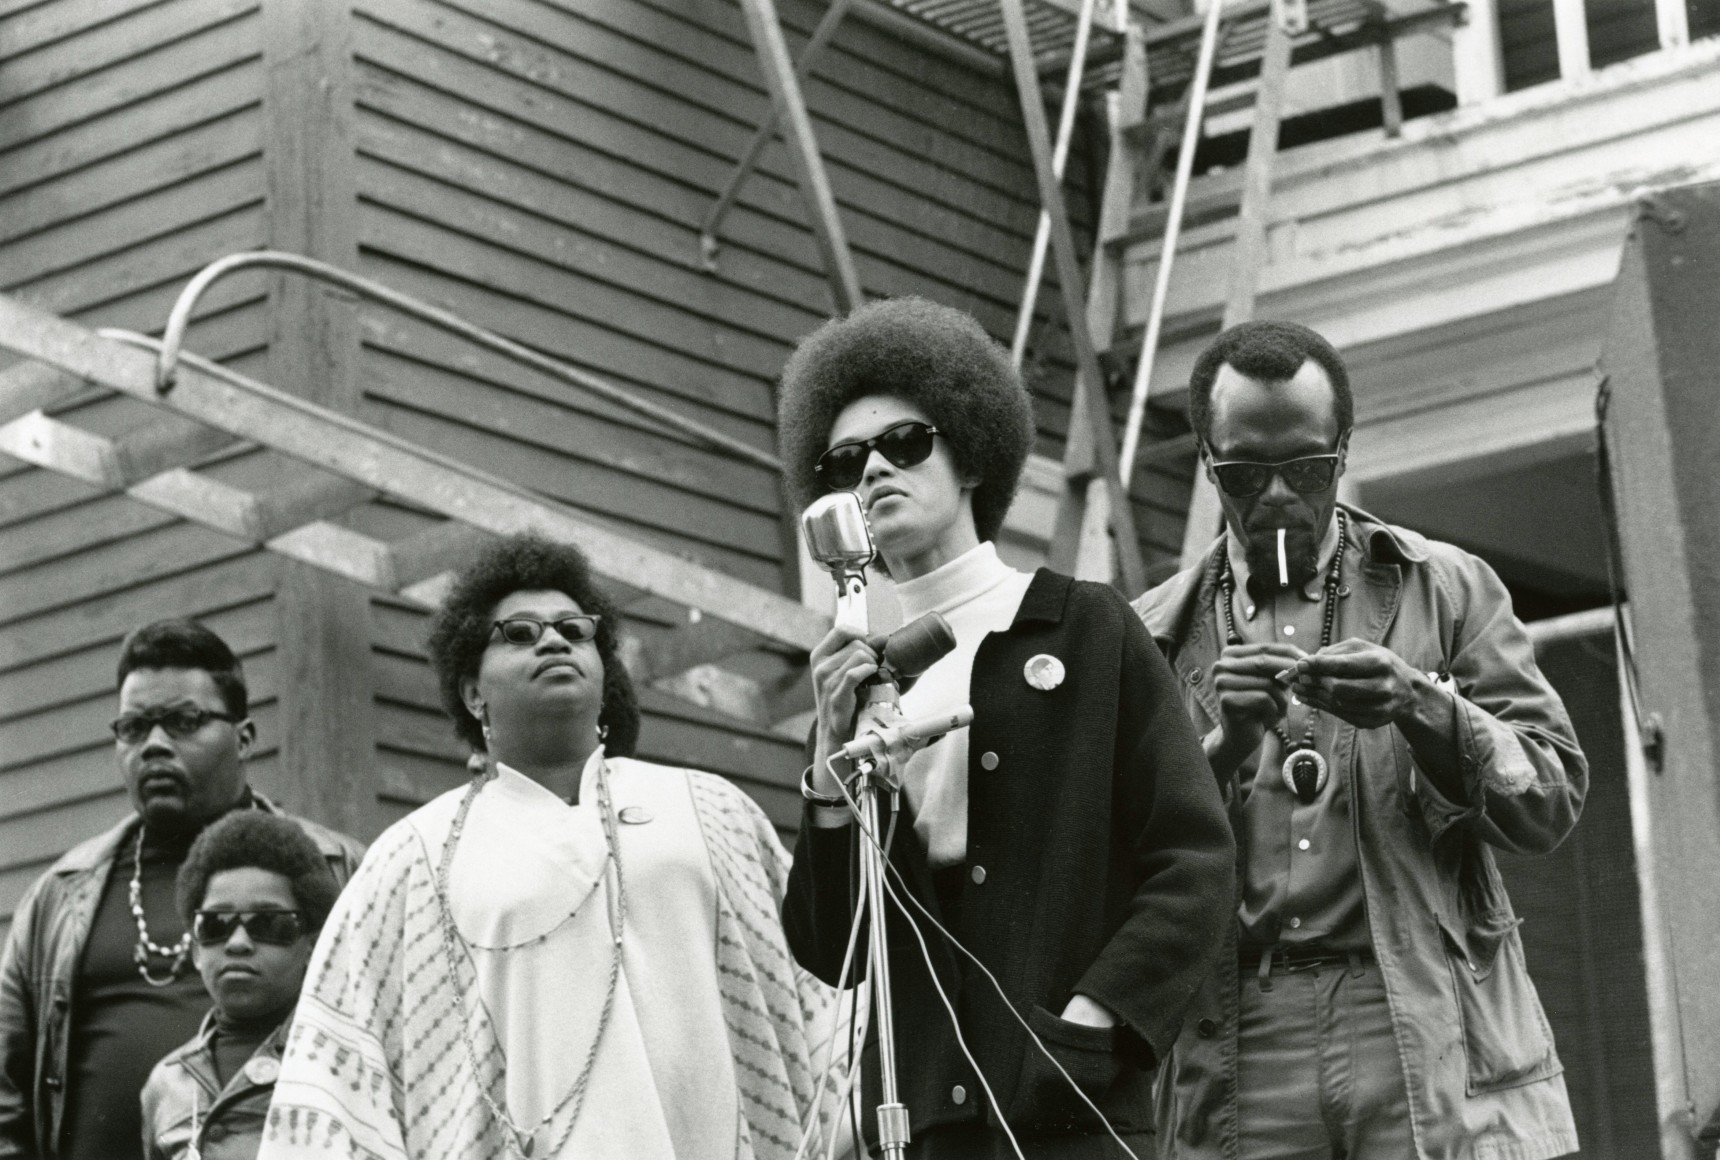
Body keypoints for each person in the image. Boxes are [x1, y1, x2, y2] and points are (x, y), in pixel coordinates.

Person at [778, 297, 1235, 1159]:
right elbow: (832, 945)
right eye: (844, 461)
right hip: (923, 1121)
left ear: (971, 454)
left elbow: (1194, 860)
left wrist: (1094, 1021)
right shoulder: (857, 681)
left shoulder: (1085, 628)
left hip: (1070, 1112)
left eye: (904, 443)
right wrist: (831, 766)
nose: (872, 470)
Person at [1134, 320, 1586, 1160]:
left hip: (1424, 1015)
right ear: (1205, 459)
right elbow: (1108, 873)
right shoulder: (1148, 637)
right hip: (1239, 1039)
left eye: (1306, 468)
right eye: (1245, 473)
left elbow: (1550, 801)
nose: (1277, 496)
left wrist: (1422, 705)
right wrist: (1221, 750)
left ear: (1344, 449)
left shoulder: (1447, 589)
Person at [259, 533, 842, 1160]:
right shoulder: (413, 856)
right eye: (519, 633)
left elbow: (823, 1007)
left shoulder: (712, 810)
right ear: (473, 692)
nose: (554, 641)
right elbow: (336, 1085)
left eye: (574, 629)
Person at [0, 620, 365, 1160]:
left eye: (183, 721)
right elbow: (6, 1099)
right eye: (134, 727)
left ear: (244, 738)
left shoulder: (340, 871)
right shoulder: (58, 896)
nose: (154, 745)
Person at [141, 812, 340, 1160]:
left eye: (267, 923)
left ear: (311, 945)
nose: (237, 943)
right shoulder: (167, 1083)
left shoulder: (343, 1062)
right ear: (196, 949)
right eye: (215, 924)